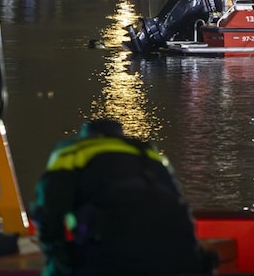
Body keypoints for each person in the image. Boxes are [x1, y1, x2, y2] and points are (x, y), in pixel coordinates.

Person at [32, 118, 213, 276]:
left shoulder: (70, 152)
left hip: (111, 258)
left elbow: (49, 212)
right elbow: (177, 203)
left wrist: (58, 258)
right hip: (184, 257)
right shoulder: (149, 153)